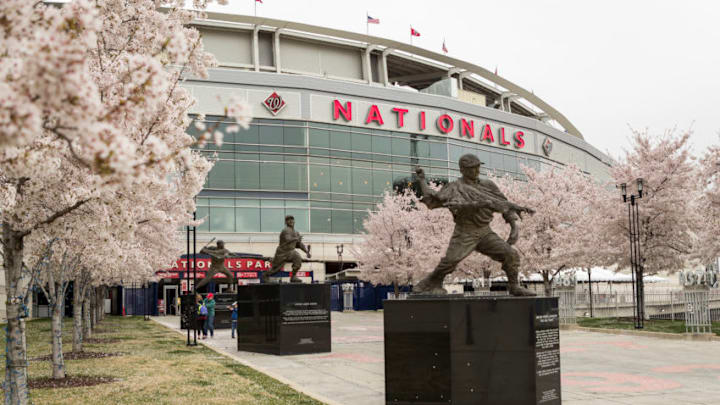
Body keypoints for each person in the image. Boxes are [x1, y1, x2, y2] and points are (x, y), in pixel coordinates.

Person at [413, 154, 536, 296]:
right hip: (465, 232)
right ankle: (429, 282)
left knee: (511, 254)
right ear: (462, 170)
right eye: (472, 168)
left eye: (478, 167)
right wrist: (422, 180)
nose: (476, 171)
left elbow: (503, 204)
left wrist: (514, 226)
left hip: (485, 232)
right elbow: (432, 199)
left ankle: (514, 286)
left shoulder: (488, 185)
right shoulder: (454, 188)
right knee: (450, 261)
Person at [262, 215, 311, 283]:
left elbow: (299, 244)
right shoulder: (285, 230)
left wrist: (306, 252)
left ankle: (293, 276)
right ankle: (265, 275)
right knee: (276, 269)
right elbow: (288, 239)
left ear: (294, 221)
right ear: (286, 222)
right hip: (282, 253)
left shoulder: (296, 232)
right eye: (288, 220)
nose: (291, 221)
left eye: (292, 219)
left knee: (297, 259)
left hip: (291, 252)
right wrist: (296, 238)